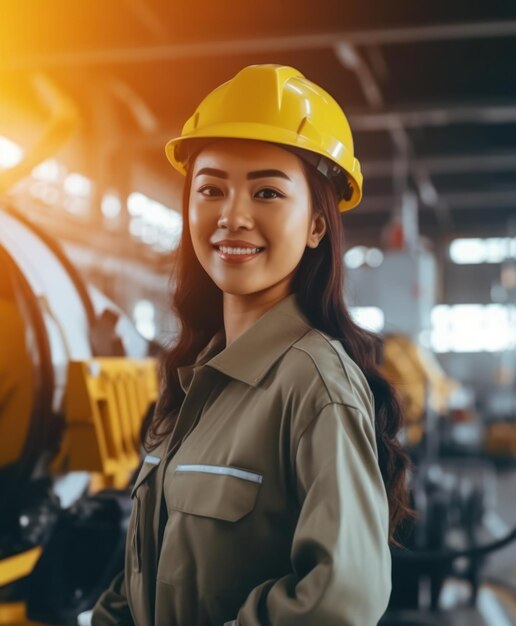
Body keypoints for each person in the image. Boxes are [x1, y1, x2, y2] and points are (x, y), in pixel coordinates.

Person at [92, 63, 411, 626]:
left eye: (266, 191)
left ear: (316, 225)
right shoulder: (195, 383)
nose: (232, 216)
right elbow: (148, 572)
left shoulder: (312, 385)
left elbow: (342, 598)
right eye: (211, 189)